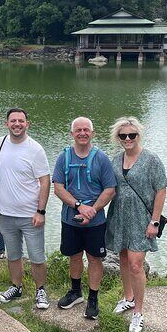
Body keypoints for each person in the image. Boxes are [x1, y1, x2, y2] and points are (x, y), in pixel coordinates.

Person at [105, 116, 167, 332]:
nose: (128, 139)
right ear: (118, 138)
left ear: (138, 135)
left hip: (142, 219)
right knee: (123, 257)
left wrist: (155, 221)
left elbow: (161, 189)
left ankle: (138, 312)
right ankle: (128, 298)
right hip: (119, 217)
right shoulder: (115, 160)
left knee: (135, 265)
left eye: (132, 135)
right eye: (123, 136)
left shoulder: (151, 159)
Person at [52, 117, 116, 320]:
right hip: (70, 217)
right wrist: (79, 206)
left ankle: (93, 298)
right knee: (74, 255)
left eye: (86, 130)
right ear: (72, 134)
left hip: (96, 220)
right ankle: (75, 292)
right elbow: (58, 188)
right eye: (78, 130)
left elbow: (110, 189)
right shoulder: (64, 157)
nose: (82, 133)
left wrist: (93, 210)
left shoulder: (101, 158)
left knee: (95, 258)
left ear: (92, 133)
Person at [0, 108, 51, 309]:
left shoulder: (35, 149)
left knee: (36, 256)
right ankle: (16, 287)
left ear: (28, 124)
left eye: (21, 121)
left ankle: (40, 290)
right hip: (6, 213)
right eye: (13, 121)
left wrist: (41, 211)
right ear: (6, 123)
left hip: (30, 215)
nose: (17, 124)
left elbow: (45, 181)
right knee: (13, 255)